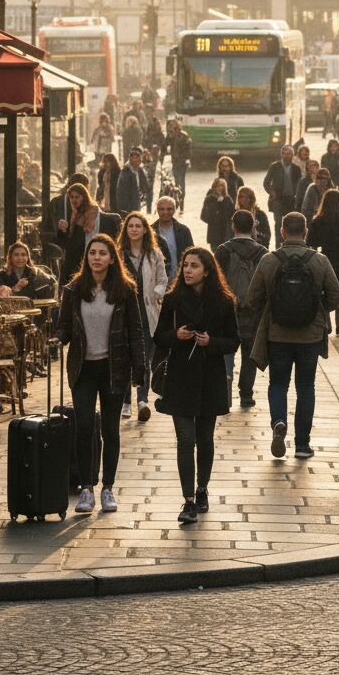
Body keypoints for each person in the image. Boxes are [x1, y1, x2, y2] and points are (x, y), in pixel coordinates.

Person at [57, 234, 146, 515]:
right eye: (92, 253)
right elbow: (64, 327)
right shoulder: (73, 290)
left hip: (114, 367)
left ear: (111, 258)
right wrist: (56, 339)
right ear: (87, 258)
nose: (96, 257)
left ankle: (108, 487)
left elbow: (136, 331)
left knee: (110, 429)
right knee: (84, 427)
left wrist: (140, 368)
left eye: (102, 253)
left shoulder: (125, 290)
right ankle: (86, 489)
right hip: (83, 368)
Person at [246, 212, 339, 459]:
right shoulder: (319, 260)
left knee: (278, 384)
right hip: (309, 337)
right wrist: (316, 311)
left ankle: (279, 421)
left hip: (277, 334)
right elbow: (336, 296)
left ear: (282, 231)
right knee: (306, 387)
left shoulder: (269, 260)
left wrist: (272, 309)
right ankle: (302, 444)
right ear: (306, 231)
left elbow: (252, 297)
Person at [154, 246, 239, 523]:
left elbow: (233, 340)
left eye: (194, 266)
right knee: (185, 440)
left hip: (210, 377)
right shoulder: (173, 299)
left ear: (207, 271)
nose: (188, 271)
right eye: (186, 266)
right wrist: (175, 335)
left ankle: (202, 490)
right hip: (179, 377)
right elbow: (159, 337)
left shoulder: (224, 302)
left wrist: (210, 343)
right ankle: (188, 500)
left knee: (204, 440)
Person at [117, 210, 169, 422]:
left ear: (145, 229)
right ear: (126, 230)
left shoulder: (154, 254)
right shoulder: (118, 253)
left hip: (147, 311)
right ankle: (126, 402)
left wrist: (156, 293)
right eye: (131, 226)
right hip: (123, 312)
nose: (134, 229)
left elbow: (163, 280)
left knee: (144, 359)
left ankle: (142, 400)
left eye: (138, 226)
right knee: (124, 358)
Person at [216, 211, 268, 407]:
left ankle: (225, 393)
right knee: (249, 354)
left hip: (228, 310)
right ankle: (246, 395)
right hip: (253, 312)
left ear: (233, 226)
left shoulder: (223, 251)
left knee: (226, 352)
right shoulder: (262, 252)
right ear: (253, 227)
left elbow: (215, 281)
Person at [306, 188, 339, 336]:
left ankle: (327, 320)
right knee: (338, 289)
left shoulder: (318, 220)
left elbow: (311, 242)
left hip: (324, 257)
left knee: (324, 290)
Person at [61, 184, 122, 284]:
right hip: (81, 263)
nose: (74, 200)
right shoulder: (74, 216)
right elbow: (71, 246)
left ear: (84, 197)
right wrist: (63, 231)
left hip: (100, 261)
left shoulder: (95, 213)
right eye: (71, 197)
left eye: (77, 197)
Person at [262, 145, 302, 247]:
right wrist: (272, 193)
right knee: (278, 224)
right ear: (281, 154)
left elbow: (300, 184)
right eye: (284, 153)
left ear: (292, 155)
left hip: (291, 200)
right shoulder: (275, 166)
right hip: (278, 200)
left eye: (288, 154)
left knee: (291, 224)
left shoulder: (296, 169)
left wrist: (297, 196)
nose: (286, 156)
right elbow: (266, 182)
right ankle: (278, 246)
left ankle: (289, 245)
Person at [153, 196, 194, 279]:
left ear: (174, 210)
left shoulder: (184, 231)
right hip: (157, 280)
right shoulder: (150, 231)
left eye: (169, 209)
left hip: (180, 279)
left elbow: (192, 255)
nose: (165, 212)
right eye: (162, 209)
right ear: (157, 210)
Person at [162, 120, 193, 206]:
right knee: (176, 180)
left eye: (175, 127)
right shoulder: (171, 135)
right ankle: (177, 198)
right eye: (172, 127)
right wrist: (168, 136)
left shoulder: (184, 135)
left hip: (182, 161)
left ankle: (181, 199)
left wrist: (187, 159)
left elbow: (189, 148)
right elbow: (165, 144)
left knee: (181, 180)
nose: (174, 129)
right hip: (175, 161)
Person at [200, 177, 236, 252]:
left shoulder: (228, 199)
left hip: (226, 232)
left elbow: (232, 214)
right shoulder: (209, 199)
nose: (219, 188)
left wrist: (222, 204)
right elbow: (203, 216)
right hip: (214, 233)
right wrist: (217, 207)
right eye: (218, 186)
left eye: (222, 186)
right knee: (216, 254)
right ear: (214, 187)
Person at [115, 147, 150, 216]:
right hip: (126, 206)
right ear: (130, 160)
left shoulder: (139, 170)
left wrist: (143, 193)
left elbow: (145, 185)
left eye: (139, 160)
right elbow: (123, 192)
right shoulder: (125, 172)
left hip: (136, 203)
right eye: (136, 160)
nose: (138, 162)